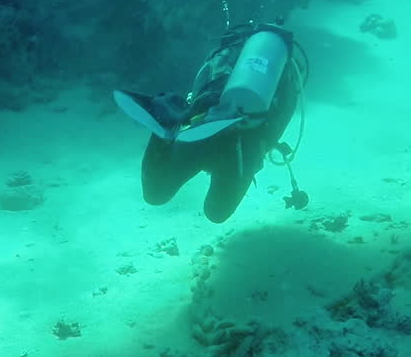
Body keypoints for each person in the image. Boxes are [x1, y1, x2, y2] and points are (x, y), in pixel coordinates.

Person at [114, 19, 308, 223]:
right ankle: (217, 131)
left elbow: (204, 80)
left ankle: (165, 124)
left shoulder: (230, 55)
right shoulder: (285, 77)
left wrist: (201, 109)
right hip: (240, 144)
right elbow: (279, 122)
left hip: (204, 124)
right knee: (217, 213)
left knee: (155, 194)